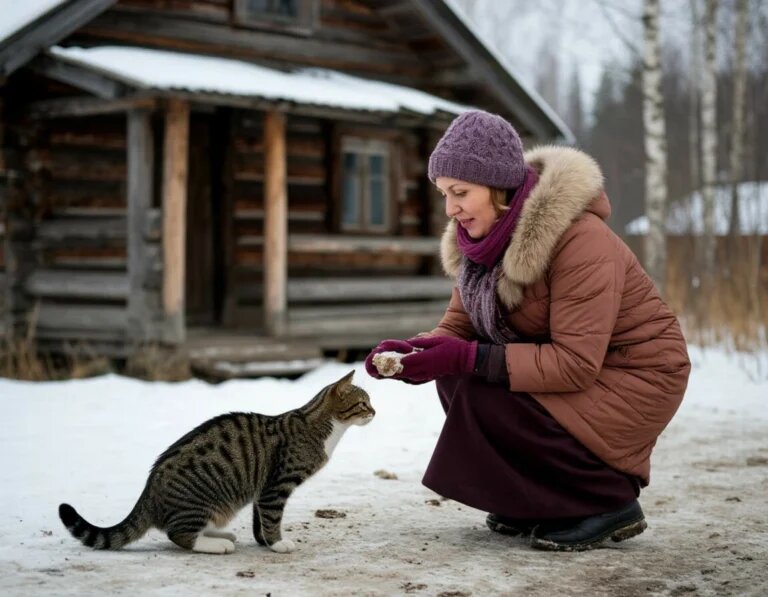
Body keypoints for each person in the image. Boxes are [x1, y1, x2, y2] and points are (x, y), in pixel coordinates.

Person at [364, 109, 691, 552]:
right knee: (458, 375)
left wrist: (465, 357)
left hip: (635, 376)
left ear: (499, 188)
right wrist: (413, 352)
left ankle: (606, 502)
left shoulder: (580, 240)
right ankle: (536, 503)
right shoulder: (481, 246)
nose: (450, 208)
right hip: (585, 372)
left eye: (460, 192)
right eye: (443, 194)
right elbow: (458, 327)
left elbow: (575, 365)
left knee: (478, 384)